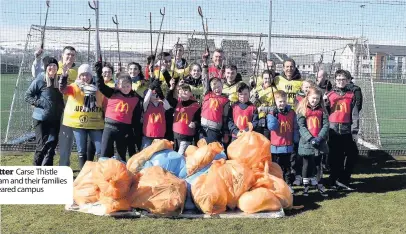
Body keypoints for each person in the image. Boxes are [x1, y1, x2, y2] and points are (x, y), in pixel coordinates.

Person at [32, 46, 78, 167]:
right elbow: (38, 73)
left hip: (71, 111)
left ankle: (61, 168)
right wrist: (37, 59)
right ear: (62, 55)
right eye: (68, 54)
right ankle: (42, 168)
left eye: (73, 55)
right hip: (53, 111)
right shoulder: (54, 67)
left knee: (62, 141)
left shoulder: (77, 71)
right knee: (49, 143)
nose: (70, 57)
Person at [59, 64, 104, 169]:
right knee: (81, 150)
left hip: (95, 123)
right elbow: (63, 89)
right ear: (79, 76)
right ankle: (83, 173)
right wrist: (64, 76)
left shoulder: (97, 87)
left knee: (100, 149)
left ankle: (99, 172)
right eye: (82, 75)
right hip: (78, 123)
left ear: (91, 76)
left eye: (87, 75)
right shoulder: (74, 87)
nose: (85, 77)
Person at [95, 62, 142, 161]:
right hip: (109, 128)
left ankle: (121, 173)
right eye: (122, 86)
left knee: (121, 154)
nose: (125, 89)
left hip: (124, 129)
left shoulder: (135, 98)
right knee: (104, 153)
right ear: (118, 85)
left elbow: (136, 117)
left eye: (127, 86)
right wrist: (99, 74)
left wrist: (134, 132)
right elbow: (101, 86)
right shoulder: (113, 93)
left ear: (131, 85)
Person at [25, 56, 64, 166]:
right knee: (41, 146)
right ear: (46, 67)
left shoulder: (59, 81)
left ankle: (47, 171)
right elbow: (27, 96)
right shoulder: (40, 80)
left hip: (55, 118)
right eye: (50, 65)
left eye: (54, 65)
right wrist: (40, 103)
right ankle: (36, 171)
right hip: (41, 118)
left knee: (52, 145)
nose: (52, 67)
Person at [324, 69, 359, 191]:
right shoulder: (330, 95)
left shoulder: (351, 95)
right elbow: (324, 113)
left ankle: (344, 179)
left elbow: (354, 115)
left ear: (348, 81)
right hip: (333, 130)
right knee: (335, 157)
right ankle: (333, 180)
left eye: (343, 79)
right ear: (335, 80)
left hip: (346, 130)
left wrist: (354, 130)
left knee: (352, 155)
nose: (341, 81)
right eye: (338, 79)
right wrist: (324, 103)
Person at [296, 86, 329, 197]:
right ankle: (306, 186)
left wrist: (319, 138)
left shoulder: (322, 111)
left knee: (318, 164)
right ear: (308, 97)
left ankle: (319, 184)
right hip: (307, 142)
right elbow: (301, 126)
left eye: (318, 99)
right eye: (313, 98)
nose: (315, 101)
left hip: (319, 142)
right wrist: (310, 138)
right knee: (306, 164)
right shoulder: (303, 110)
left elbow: (326, 125)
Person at [267, 90, 299, 193]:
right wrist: (274, 116)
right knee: (276, 168)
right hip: (276, 147)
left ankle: (288, 184)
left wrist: (295, 138)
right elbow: (271, 127)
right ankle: (276, 185)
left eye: (284, 101)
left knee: (287, 167)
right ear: (275, 101)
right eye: (280, 101)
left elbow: (295, 126)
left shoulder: (291, 113)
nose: (282, 103)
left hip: (288, 145)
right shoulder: (272, 113)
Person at [200, 50, 231, 144]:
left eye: (220, 57)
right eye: (216, 56)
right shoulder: (208, 94)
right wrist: (204, 63)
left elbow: (225, 117)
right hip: (203, 125)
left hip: (215, 126)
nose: (218, 59)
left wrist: (225, 132)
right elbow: (205, 79)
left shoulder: (227, 71)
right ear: (212, 58)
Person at [166, 81, 201, 155]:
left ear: (191, 93)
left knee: (180, 156)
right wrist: (171, 89)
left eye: (186, 90)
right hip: (175, 135)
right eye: (181, 90)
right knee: (174, 154)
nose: (183, 92)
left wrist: (194, 124)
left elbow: (198, 120)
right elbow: (168, 99)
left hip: (186, 137)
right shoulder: (177, 103)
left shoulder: (195, 106)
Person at [141, 79, 172, 149]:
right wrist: (151, 88)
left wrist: (162, 96)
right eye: (152, 94)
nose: (155, 95)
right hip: (148, 136)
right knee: (145, 154)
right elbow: (146, 99)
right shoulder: (146, 105)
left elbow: (168, 107)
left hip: (160, 136)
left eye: (156, 94)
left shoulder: (162, 104)